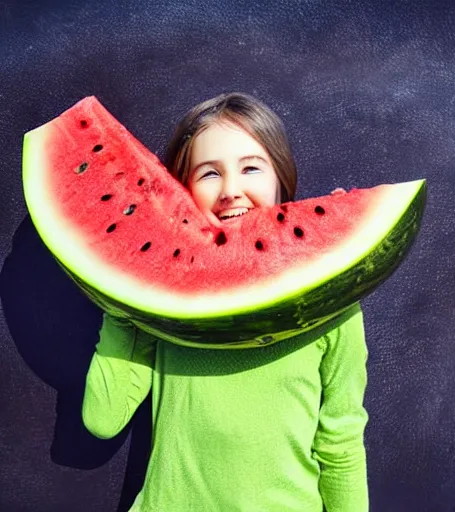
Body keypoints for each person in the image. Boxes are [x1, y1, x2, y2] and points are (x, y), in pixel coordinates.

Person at [82, 92, 369, 511]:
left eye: (251, 167)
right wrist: (124, 287)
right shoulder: (167, 297)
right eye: (209, 174)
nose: (232, 191)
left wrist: (337, 233)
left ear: (280, 178)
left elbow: (341, 442)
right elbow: (102, 419)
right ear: (180, 192)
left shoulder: (333, 301)